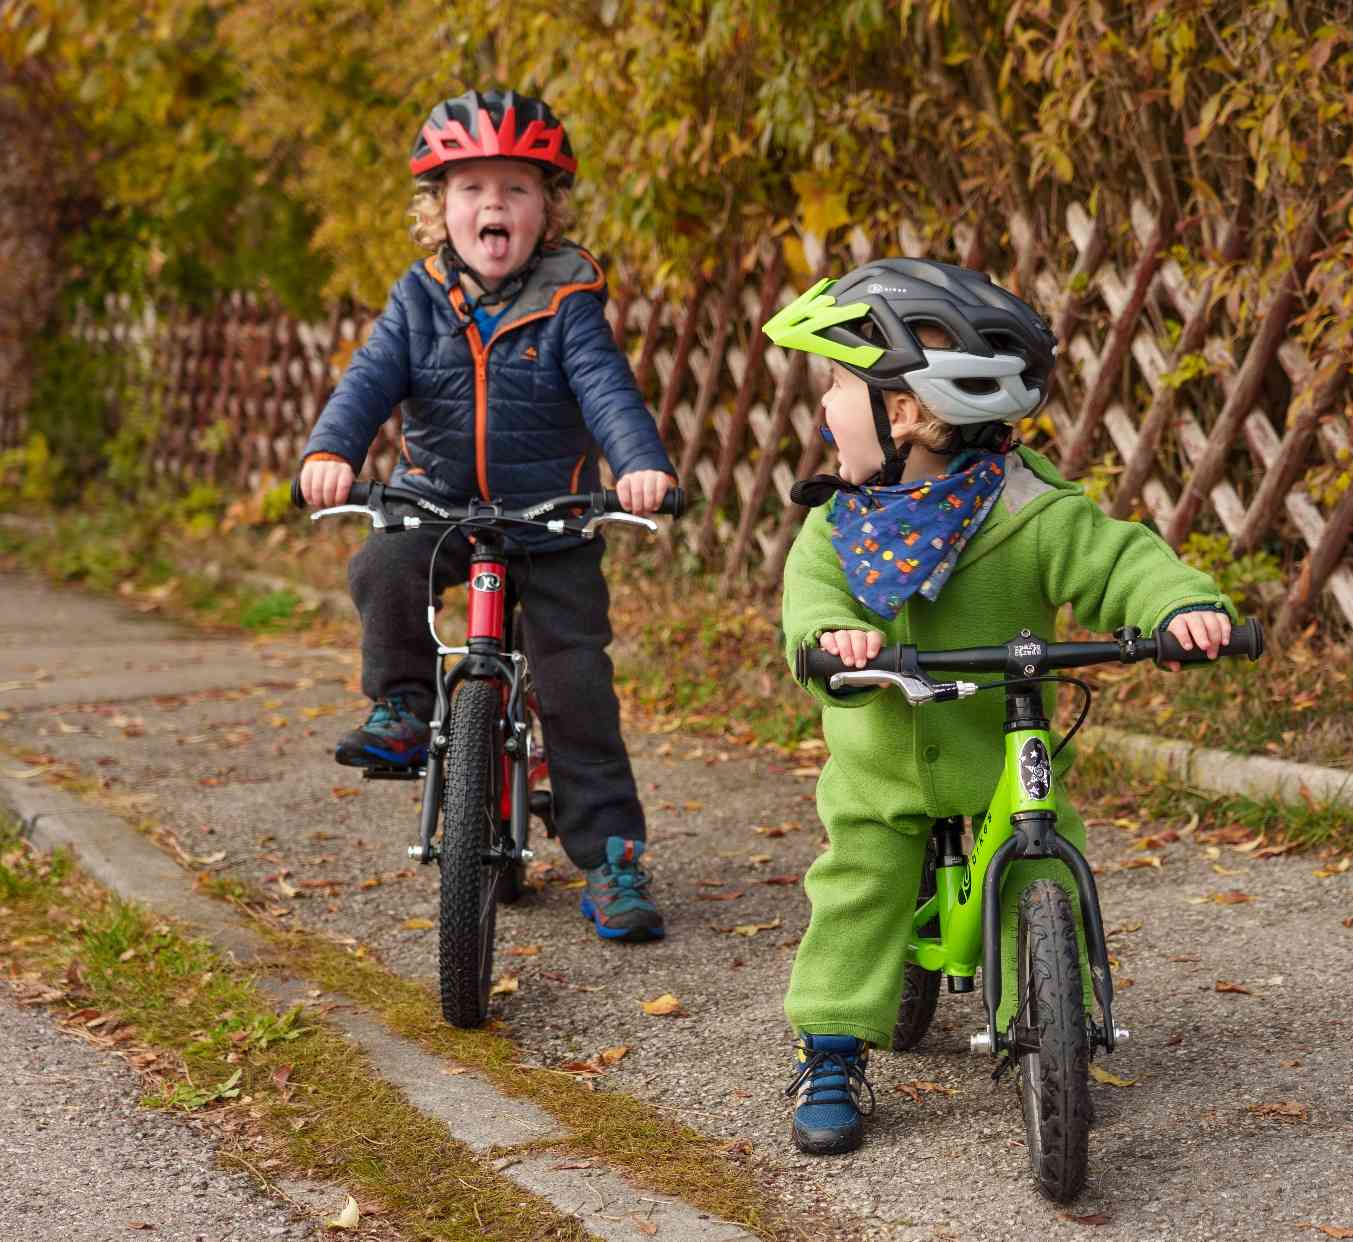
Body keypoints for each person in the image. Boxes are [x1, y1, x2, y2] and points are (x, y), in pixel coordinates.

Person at [764, 258, 1234, 1153]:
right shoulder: (840, 525)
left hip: (999, 754)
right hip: (882, 767)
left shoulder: (1030, 512)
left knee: (1044, 861)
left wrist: (1178, 607)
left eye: (836, 386)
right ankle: (830, 1044)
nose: (824, 407)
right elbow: (812, 596)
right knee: (862, 884)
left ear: (904, 413)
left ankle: (1046, 1023)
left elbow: (1120, 559)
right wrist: (834, 637)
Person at [297, 88, 674, 942]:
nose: (492, 205)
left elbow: (608, 391)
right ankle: (399, 707)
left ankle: (611, 858)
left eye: (515, 188)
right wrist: (332, 452)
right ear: (438, 212)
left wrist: (641, 466)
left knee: (577, 687)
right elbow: (368, 380)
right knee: (382, 563)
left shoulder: (569, 299)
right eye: (471, 189)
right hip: (437, 501)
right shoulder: (418, 298)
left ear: (548, 209)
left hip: (550, 521)